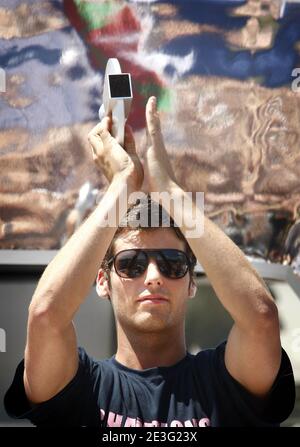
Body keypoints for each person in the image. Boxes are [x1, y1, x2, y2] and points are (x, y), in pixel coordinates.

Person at [4, 97, 295, 427]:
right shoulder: (82, 385)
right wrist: (123, 183)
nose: (154, 276)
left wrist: (169, 190)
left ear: (190, 281)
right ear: (103, 281)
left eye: (172, 263)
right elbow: (44, 315)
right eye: (131, 264)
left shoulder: (221, 382)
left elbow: (261, 317)